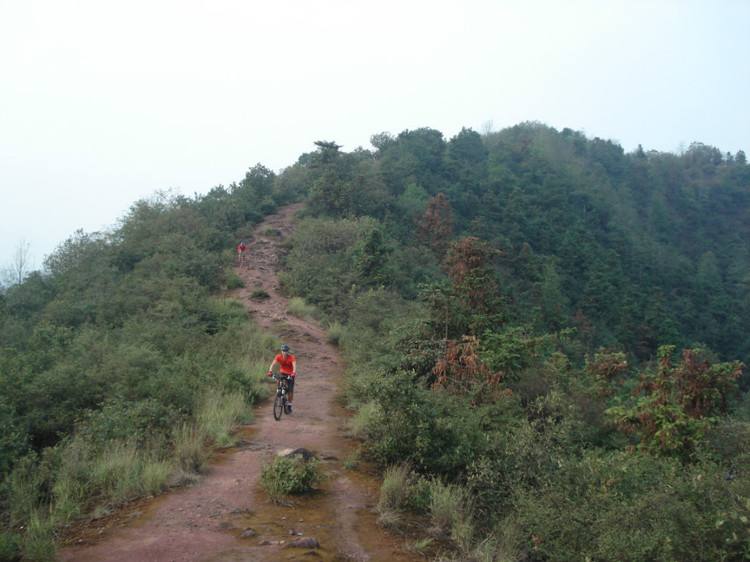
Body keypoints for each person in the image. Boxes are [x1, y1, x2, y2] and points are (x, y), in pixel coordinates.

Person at [267, 344, 297, 412]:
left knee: (290, 391)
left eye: (286, 351)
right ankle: (279, 393)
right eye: (283, 351)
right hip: (282, 372)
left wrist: (294, 372)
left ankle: (289, 405)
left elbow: (294, 366)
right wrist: (270, 371)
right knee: (278, 381)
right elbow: (273, 364)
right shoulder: (278, 356)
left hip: (290, 374)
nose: (284, 352)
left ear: (288, 351)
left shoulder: (292, 357)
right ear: (281, 351)